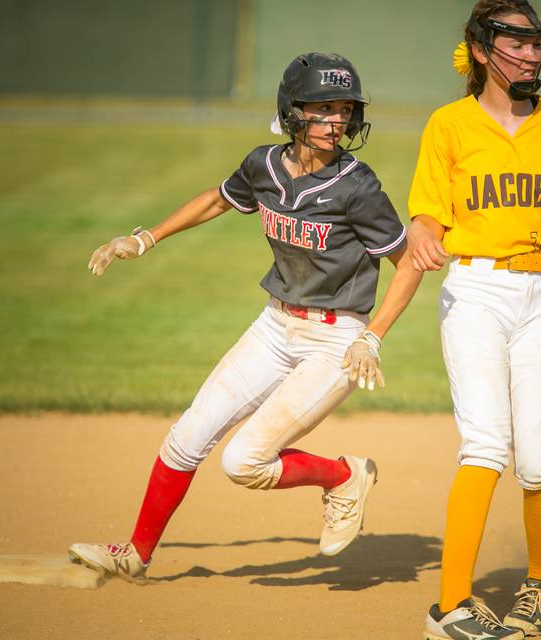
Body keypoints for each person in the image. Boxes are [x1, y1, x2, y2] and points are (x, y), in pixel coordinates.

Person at [68, 52, 421, 581]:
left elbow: (409, 262)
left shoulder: (357, 185)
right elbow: (218, 199)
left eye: (344, 109)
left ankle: (345, 476)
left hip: (335, 340)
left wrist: (372, 337)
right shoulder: (264, 165)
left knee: (242, 463)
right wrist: (145, 238)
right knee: (186, 437)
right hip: (275, 325)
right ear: (293, 111)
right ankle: (135, 555)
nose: (337, 121)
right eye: (323, 109)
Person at [408, 2, 541, 638]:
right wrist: (419, 233)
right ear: (481, 49)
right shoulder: (449, 125)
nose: (528, 53)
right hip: (476, 293)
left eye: (534, 43)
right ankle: (452, 606)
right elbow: (428, 211)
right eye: (515, 42)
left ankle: (540, 587)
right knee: (487, 442)